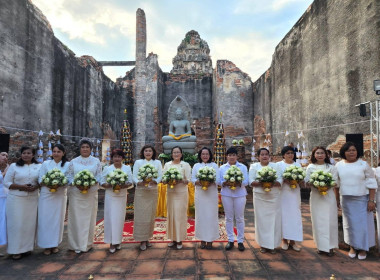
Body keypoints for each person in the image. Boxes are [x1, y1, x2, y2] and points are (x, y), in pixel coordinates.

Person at [335, 142, 377, 260]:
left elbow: (372, 184)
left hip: (362, 199)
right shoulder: (338, 165)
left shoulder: (363, 164)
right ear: (344, 152)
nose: (351, 152)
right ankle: (352, 246)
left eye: (353, 150)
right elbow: (336, 185)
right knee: (349, 225)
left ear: (357, 152)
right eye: (348, 150)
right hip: (346, 199)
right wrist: (337, 199)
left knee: (363, 225)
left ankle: (363, 248)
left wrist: (371, 200)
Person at [3, 146, 40, 260]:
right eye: (24, 153)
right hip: (16, 199)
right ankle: (15, 250)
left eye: (29, 153)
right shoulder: (14, 166)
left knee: (29, 225)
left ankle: (27, 248)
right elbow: (6, 182)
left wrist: (36, 187)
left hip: (32, 199)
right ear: (21, 154)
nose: (26, 155)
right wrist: (21, 187)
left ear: (33, 155)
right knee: (16, 224)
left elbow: (42, 180)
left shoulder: (39, 166)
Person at [66, 139, 102, 254]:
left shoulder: (96, 161)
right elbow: (69, 176)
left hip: (90, 194)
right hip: (76, 194)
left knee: (89, 219)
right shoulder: (73, 162)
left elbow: (99, 176)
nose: (85, 149)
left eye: (87, 147)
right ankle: (75, 244)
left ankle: (87, 244)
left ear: (91, 149)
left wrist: (90, 184)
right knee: (76, 219)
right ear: (80, 149)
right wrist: (77, 184)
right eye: (83, 147)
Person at [305, 146, 338, 256]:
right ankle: (320, 246)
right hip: (316, 197)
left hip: (328, 197)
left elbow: (335, 182)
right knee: (318, 221)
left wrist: (326, 187)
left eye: (322, 153)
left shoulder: (331, 167)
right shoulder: (310, 167)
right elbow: (307, 182)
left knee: (330, 221)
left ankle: (330, 246)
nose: (320, 155)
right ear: (314, 155)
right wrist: (316, 185)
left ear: (326, 155)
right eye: (317, 153)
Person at [37, 144, 69, 255]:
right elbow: (40, 178)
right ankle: (46, 245)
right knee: (45, 220)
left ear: (63, 153)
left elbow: (69, 179)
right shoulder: (46, 164)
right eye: (54, 151)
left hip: (60, 195)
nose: (56, 153)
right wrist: (49, 183)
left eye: (58, 151)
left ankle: (55, 244)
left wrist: (60, 184)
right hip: (46, 195)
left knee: (57, 220)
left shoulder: (68, 165)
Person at [249, 148, 282, 253]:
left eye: (266, 154)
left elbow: (280, 180)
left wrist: (271, 182)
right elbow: (251, 181)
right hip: (260, 196)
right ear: (258, 157)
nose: (264, 156)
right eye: (262, 154)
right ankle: (263, 244)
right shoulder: (254, 166)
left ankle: (273, 245)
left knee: (274, 220)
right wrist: (263, 182)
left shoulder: (275, 166)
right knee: (261, 220)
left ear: (269, 156)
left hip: (273, 196)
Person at [101, 149, 132, 253]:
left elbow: (130, 182)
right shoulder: (107, 169)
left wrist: (122, 185)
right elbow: (102, 182)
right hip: (110, 196)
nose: (117, 158)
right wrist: (110, 185)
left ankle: (117, 241)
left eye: (119, 156)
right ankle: (111, 242)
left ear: (122, 158)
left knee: (119, 219)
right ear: (112, 158)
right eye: (115, 156)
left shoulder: (127, 168)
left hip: (121, 196)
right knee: (110, 218)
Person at [132, 145, 162, 251]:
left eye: (150, 151)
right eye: (146, 151)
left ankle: (147, 237)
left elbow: (160, 176)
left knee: (150, 215)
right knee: (141, 215)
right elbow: (134, 176)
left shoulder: (157, 163)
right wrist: (140, 182)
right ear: (143, 152)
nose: (148, 152)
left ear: (153, 152)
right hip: (141, 191)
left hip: (152, 190)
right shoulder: (138, 162)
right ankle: (142, 239)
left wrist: (155, 181)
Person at [219, 147, 249, 251]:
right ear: (227, 156)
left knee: (240, 218)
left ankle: (240, 241)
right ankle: (230, 240)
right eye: (230, 155)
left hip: (240, 194)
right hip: (227, 194)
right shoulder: (222, 168)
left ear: (237, 156)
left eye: (233, 155)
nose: (231, 157)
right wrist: (225, 182)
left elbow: (246, 181)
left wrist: (238, 182)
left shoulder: (242, 167)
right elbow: (219, 181)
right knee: (229, 218)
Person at [191, 147, 219, 250]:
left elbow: (218, 180)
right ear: (200, 155)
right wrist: (201, 182)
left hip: (211, 193)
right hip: (200, 194)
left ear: (210, 155)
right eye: (203, 154)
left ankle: (210, 239)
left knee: (211, 216)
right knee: (201, 216)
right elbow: (192, 179)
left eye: (207, 154)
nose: (205, 156)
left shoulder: (214, 165)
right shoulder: (196, 166)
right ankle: (202, 239)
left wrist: (210, 181)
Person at [163, 146, 191, 249]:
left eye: (178, 152)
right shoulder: (167, 165)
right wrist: (168, 180)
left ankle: (179, 239)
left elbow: (188, 180)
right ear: (171, 154)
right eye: (174, 152)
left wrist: (180, 180)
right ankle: (172, 238)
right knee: (171, 215)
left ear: (181, 154)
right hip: (170, 193)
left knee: (179, 215)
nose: (176, 154)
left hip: (181, 193)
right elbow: (163, 179)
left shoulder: (185, 165)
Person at [276, 146, 303, 252]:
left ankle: (293, 241)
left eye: (292, 153)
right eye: (287, 153)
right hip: (283, 193)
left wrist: (296, 180)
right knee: (284, 216)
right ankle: (284, 240)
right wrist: (286, 180)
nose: (290, 155)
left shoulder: (297, 164)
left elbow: (302, 178)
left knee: (294, 216)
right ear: (283, 155)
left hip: (294, 193)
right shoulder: (279, 165)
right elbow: (277, 178)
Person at [0, 152, 8, 256]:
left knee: (2, 221)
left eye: (6, 156)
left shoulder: (7, 168)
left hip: (4, 197)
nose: (5, 157)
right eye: (3, 155)